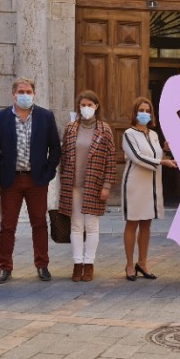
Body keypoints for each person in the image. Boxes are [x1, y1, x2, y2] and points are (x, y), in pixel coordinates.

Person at [0, 78, 62, 284]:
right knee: (7, 225)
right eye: (21, 91)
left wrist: (48, 173)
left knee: (39, 223)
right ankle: (5, 267)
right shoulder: (1, 117)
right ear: (13, 95)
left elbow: (55, 147)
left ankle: (42, 265)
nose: (25, 95)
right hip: (10, 180)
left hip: (36, 179)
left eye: (28, 91)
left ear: (34, 94)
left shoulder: (45, 116)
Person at [58, 91, 116, 282]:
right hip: (73, 185)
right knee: (76, 225)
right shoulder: (71, 128)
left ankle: (89, 264)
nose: (86, 108)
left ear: (96, 106)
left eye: (90, 104)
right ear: (78, 106)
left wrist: (107, 185)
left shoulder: (104, 129)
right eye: (83, 104)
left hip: (94, 184)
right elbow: (64, 155)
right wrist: (62, 179)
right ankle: (77, 264)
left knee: (91, 225)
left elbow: (110, 159)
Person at [121, 98, 176, 280]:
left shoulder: (153, 134)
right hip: (135, 185)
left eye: (147, 110)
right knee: (132, 223)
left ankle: (142, 263)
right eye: (141, 109)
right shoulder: (128, 134)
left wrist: (165, 151)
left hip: (151, 184)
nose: (144, 113)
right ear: (135, 112)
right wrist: (162, 161)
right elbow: (137, 157)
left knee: (146, 224)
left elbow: (155, 154)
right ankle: (130, 265)